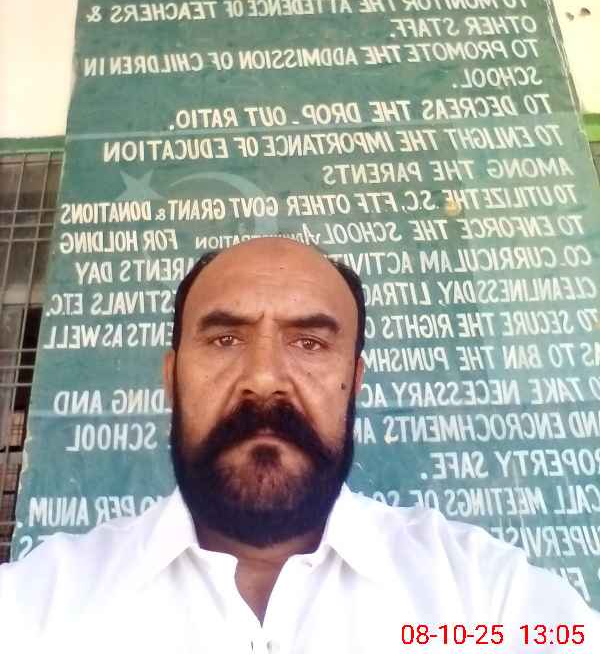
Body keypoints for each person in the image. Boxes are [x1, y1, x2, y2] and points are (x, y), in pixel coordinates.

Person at [0, 238, 598, 653]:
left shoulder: (480, 600)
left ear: (354, 382)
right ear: (171, 376)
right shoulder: (36, 610)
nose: (264, 378)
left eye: (310, 343)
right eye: (225, 339)